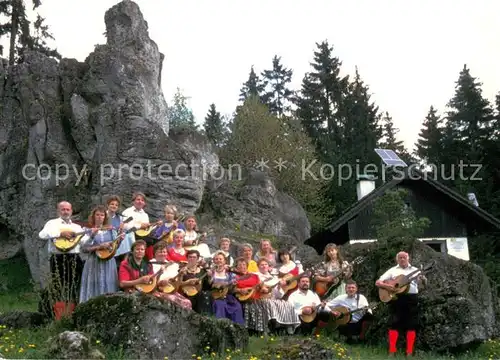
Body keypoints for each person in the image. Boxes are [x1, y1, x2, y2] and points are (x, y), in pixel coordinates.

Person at [38, 201, 86, 318]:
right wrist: (60, 233)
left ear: (71, 211)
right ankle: (58, 315)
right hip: (58, 258)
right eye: (63, 209)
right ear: (58, 211)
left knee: (76, 285)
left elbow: (84, 242)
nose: (65, 211)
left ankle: (74, 314)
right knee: (58, 286)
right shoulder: (52, 223)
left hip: (75, 258)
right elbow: (42, 235)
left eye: (67, 209)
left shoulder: (76, 227)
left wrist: (93, 234)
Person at [375, 251, 427, 357]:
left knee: (411, 325)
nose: (402, 259)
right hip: (396, 299)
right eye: (400, 258)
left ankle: (409, 351)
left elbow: (423, 286)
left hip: (411, 299)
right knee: (394, 324)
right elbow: (378, 282)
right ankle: (392, 351)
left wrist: (423, 280)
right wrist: (388, 287)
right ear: (397, 259)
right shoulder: (393, 270)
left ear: (408, 258)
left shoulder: (416, 270)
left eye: (404, 257)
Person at [79, 205, 124, 303]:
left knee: (109, 283)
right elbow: (84, 248)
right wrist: (98, 246)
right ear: (93, 216)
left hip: (108, 262)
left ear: (105, 217)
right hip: (93, 262)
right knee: (93, 285)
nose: (99, 217)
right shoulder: (87, 230)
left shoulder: (111, 230)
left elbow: (114, 248)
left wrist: (119, 241)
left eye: (102, 215)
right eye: (97, 215)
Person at [150, 242, 192, 309]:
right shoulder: (150, 264)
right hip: (156, 290)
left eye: (164, 252)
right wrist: (160, 281)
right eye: (160, 252)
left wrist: (180, 275)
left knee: (187, 302)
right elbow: (150, 281)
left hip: (171, 290)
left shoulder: (172, 265)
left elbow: (176, 284)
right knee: (174, 301)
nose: (163, 254)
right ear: (155, 253)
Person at [208, 251, 244, 324]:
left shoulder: (229, 273)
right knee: (220, 305)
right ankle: (220, 326)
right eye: (216, 259)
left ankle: (237, 327)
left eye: (220, 259)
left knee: (237, 306)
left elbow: (232, 289)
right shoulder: (211, 272)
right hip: (215, 296)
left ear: (224, 261)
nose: (218, 261)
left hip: (228, 296)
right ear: (214, 261)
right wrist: (210, 277)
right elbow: (209, 284)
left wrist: (232, 284)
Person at [122, 192, 161, 260]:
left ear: (144, 203)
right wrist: (139, 226)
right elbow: (124, 226)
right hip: (129, 236)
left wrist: (156, 226)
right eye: (138, 199)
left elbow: (146, 230)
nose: (140, 202)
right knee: (150, 241)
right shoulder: (127, 212)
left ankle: (150, 261)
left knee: (157, 241)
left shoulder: (145, 215)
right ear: (133, 201)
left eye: (142, 200)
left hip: (142, 237)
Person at [105, 195, 132, 266]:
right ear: (108, 204)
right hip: (106, 240)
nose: (114, 206)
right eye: (112, 204)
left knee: (128, 234)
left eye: (116, 205)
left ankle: (125, 261)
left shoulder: (120, 218)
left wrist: (121, 229)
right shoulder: (103, 215)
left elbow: (121, 232)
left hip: (116, 241)